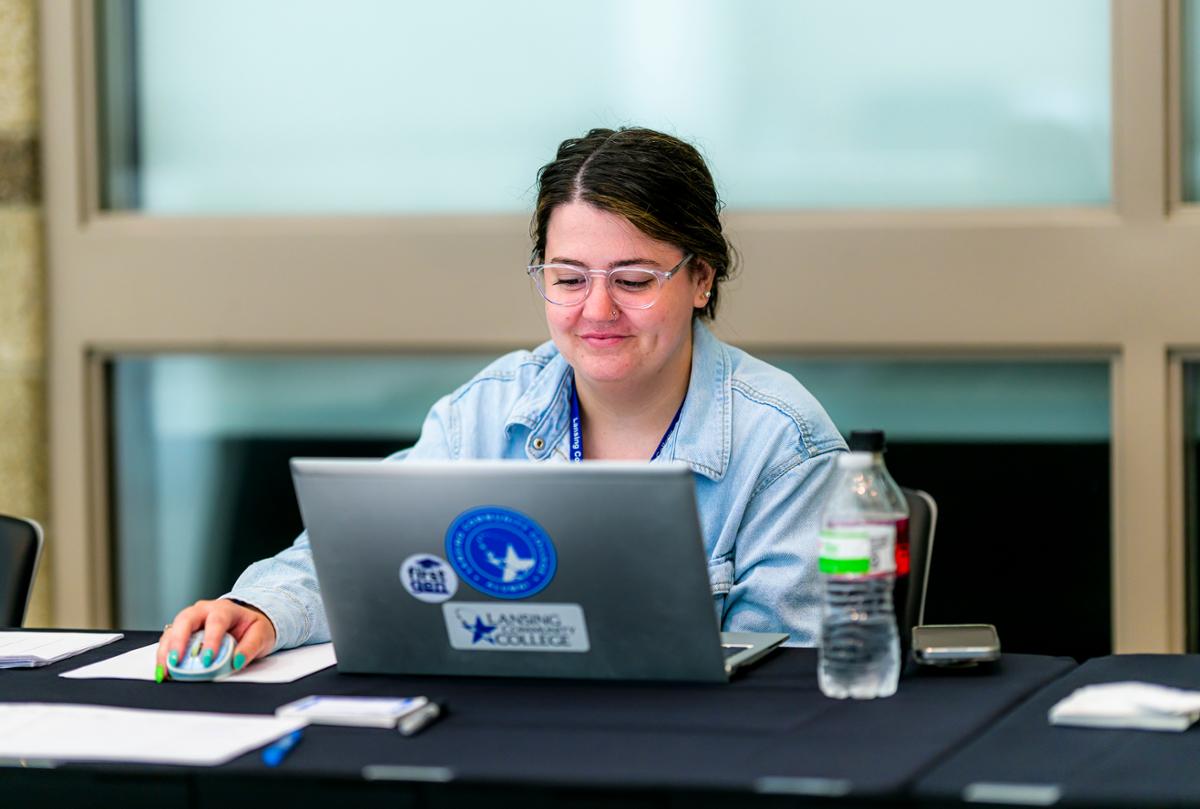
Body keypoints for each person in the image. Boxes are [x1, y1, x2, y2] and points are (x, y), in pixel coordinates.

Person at [155, 127, 846, 681]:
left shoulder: (785, 443)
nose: (597, 310)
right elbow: (355, 556)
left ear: (700, 278)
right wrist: (257, 610)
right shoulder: (486, 411)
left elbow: (785, 677)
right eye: (568, 278)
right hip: (503, 744)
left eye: (633, 279)